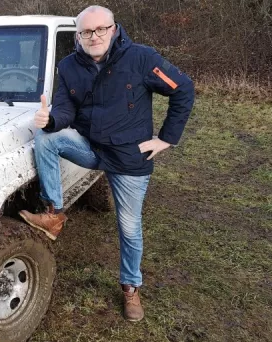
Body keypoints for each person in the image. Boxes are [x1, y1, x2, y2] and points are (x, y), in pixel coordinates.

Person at [19, 5, 195, 321]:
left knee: (129, 227)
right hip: (91, 147)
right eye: (87, 31)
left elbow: (183, 89)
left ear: (114, 29)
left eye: (101, 29)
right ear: (78, 35)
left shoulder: (141, 58)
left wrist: (166, 138)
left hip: (129, 157)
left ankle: (130, 287)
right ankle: (54, 214)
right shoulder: (69, 66)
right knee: (45, 138)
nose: (95, 36)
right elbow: (65, 110)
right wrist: (50, 120)